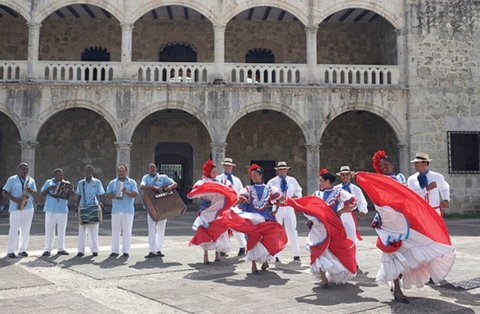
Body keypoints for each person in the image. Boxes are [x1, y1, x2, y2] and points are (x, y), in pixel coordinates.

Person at [238, 164, 282, 273]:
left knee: (265, 240)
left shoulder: (269, 188)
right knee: (252, 240)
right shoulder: (248, 189)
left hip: (265, 217)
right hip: (252, 218)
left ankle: (265, 260)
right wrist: (233, 206)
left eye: (255, 175)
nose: (253, 177)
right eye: (252, 176)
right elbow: (241, 200)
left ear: (261, 175)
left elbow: (278, 198)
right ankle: (253, 264)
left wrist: (275, 210)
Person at [190, 160, 231, 264]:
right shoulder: (202, 182)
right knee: (205, 231)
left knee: (218, 231)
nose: (215, 174)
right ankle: (206, 254)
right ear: (208, 172)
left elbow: (228, 190)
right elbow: (195, 191)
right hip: (206, 210)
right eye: (213, 172)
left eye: (216, 172)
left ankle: (217, 253)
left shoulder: (220, 182)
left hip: (218, 211)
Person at [140, 163, 177, 258]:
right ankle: (152, 251)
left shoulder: (163, 177)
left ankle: (158, 249)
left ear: (156, 168)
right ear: (148, 169)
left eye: (154, 168)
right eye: (150, 168)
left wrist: (170, 187)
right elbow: (142, 186)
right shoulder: (146, 177)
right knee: (151, 228)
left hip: (162, 206)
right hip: (151, 206)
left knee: (161, 229)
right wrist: (153, 187)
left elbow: (174, 183)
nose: (152, 169)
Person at [267, 161, 302, 262]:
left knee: (292, 230)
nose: (282, 171)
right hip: (277, 208)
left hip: (289, 207)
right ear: (277, 170)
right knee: (276, 231)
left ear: (287, 170)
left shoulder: (292, 180)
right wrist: (276, 199)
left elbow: (299, 190)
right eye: (280, 169)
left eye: (284, 169)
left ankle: (296, 254)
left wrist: (296, 196)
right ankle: (276, 254)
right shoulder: (272, 182)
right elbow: (268, 193)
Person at [2, 163, 37, 258]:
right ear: (18, 170)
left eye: (26, 169)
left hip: (28, 207)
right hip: (15, 208)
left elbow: (35, 193)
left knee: (26, 229)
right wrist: (14, 199)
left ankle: (22, 250)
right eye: (23, 169)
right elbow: (4, 192)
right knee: (14, 229)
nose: (25, 171)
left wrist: (31, 191)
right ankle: (10, 251)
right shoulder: (12, 179)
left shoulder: (31, 180)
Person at [335, 165, 368, 266]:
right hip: (339, 215)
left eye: (347, 175)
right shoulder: (336, 189)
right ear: (340, 176)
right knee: (339, 238)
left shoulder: (355, 189)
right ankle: (341, 261)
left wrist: (362, 210)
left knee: (352, 237)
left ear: (350, 176)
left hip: (349, 215)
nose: (345, 177)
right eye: (343, 175)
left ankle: (355, 262)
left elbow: (362, 201)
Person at [105, 165, 139, 257]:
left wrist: (126, 191)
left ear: (126, 171)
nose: (121, 173)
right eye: (119, 171)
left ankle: (126, 250)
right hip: (116, 210)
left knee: (127, 231)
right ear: (117, 172)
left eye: (122, 171)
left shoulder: (132, 182)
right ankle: (115, 250)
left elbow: (135, 194)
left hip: (127, 210)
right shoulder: (113, 182)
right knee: (115, 231)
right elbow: (107, 195)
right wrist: (114, 195)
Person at [216, 157, 247, 256]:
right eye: (226, 166)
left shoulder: (236, 180)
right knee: (222, 228)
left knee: (237, 227)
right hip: (223, 206)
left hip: (235, 206)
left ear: (232, 167)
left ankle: (242, 246)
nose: (228, 168)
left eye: (230, 166)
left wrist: (240, 203)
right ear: (224, 166)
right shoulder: (219, 178)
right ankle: (223, 249)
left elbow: (242, 192)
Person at [41, 168, 74, 256]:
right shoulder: (48, 182)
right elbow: (42, 193)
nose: (60, 176)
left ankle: (61, 248)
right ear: (54, 175)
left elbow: (71, 196)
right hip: (50, 209)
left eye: (62, 175)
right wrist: (49, 188)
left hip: (62, 209)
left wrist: (70, 190)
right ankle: (47, 249)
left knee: (62, 229)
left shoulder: (66, 183)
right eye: (59, 175)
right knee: (49, 229)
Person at [75, 165, 105, 257]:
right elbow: (79, 195)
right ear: (84, 172)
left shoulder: (97, 182)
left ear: (92, 172)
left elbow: (101, 194)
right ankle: (81, 250)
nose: (87, 173)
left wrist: (101, 203)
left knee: (94, 230)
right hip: (83, 206)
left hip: (93, 207)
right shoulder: (81, 183)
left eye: (89, 171)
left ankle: (94, 250)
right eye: (86, 171)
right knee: (82, 230)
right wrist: (76, 207)